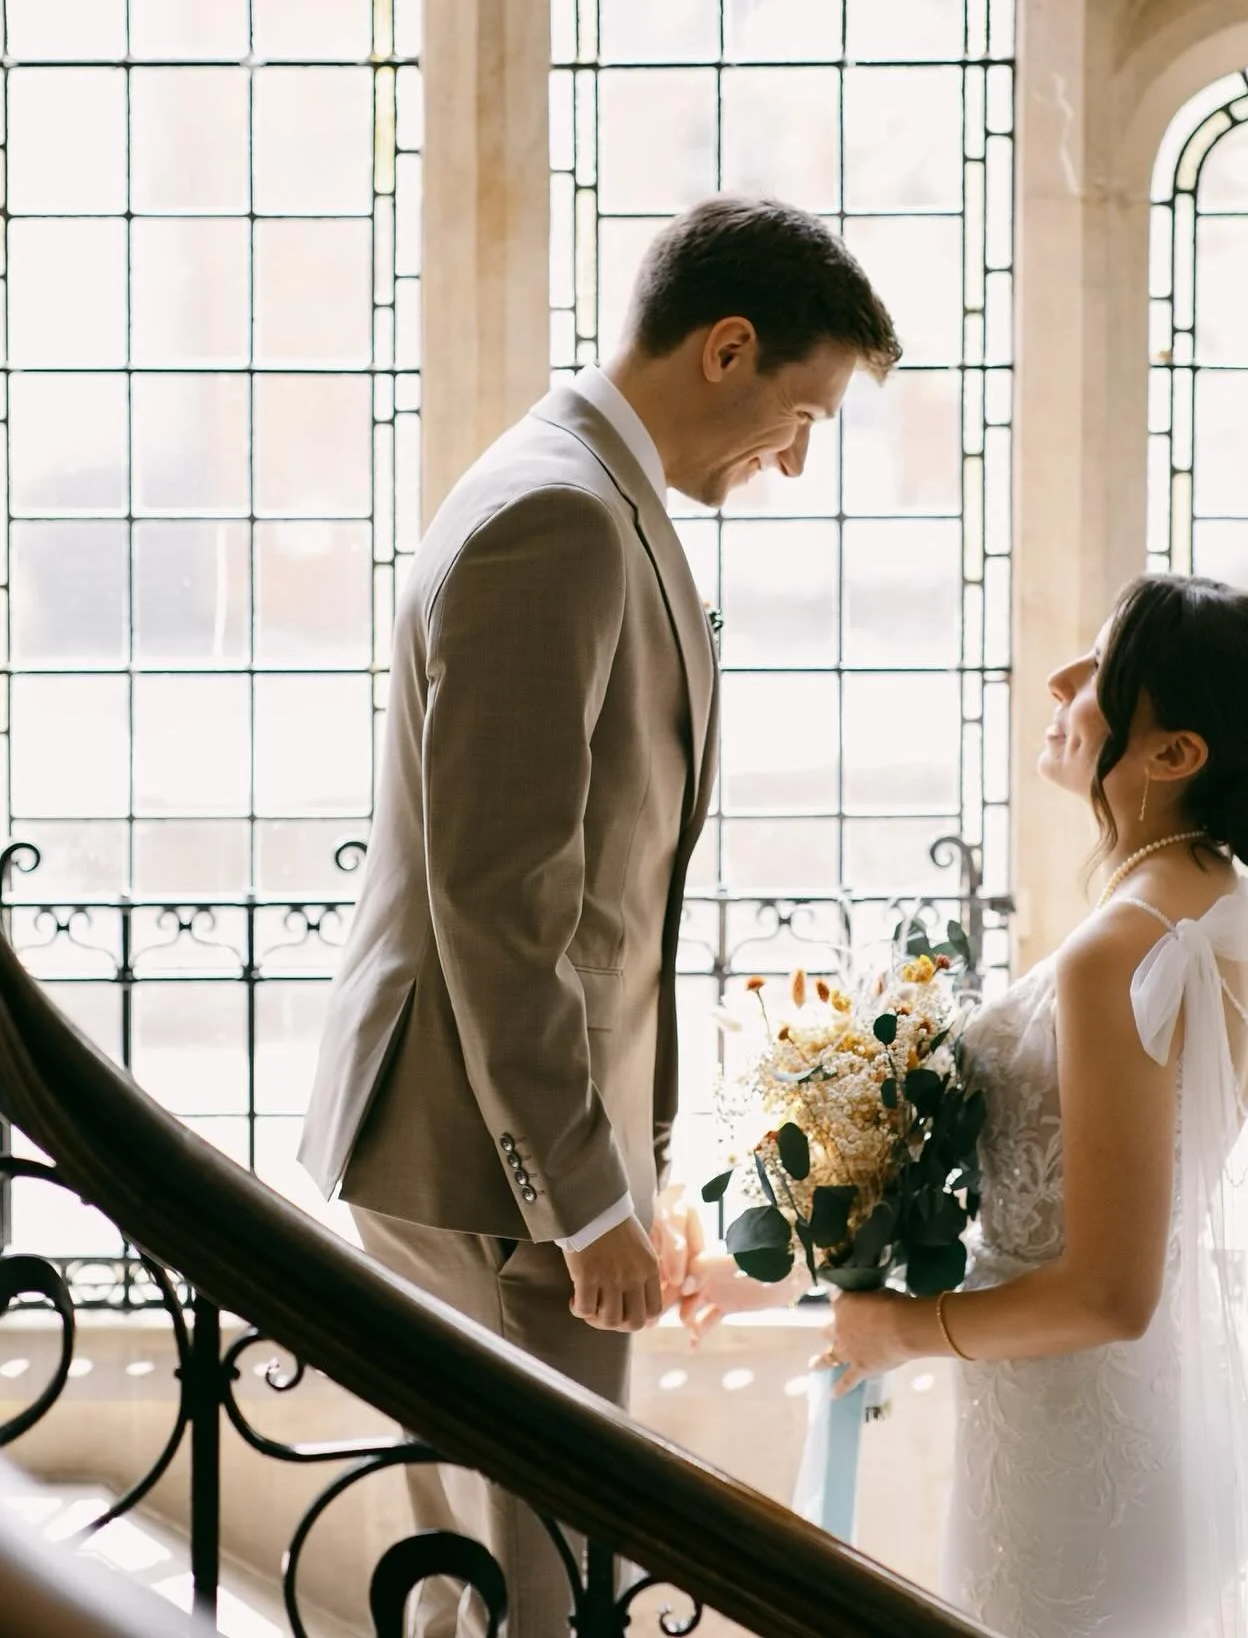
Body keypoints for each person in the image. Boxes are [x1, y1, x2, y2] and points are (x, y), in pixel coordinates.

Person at [297, 195, 899, 1638]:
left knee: (510, 1590)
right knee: (552, 1593)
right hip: (487, 1175)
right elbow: (505, 906)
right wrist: (583, 1195)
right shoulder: (558, 515)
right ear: (728, 347)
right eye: (801, 411)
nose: (796, 458)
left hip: (509, 1155)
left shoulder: (585, 492)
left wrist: (633, 1166)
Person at [682, 573, 1248, 1638]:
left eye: (1101, 671)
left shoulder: (1124, 950)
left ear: (1177, 754)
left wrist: (899, 1330)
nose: (1061, 680)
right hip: (1141, 1419)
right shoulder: (1224, 911)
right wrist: (793, 1261)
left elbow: (1105, 1292)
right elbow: (1061, 1179)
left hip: (1088, 1454)